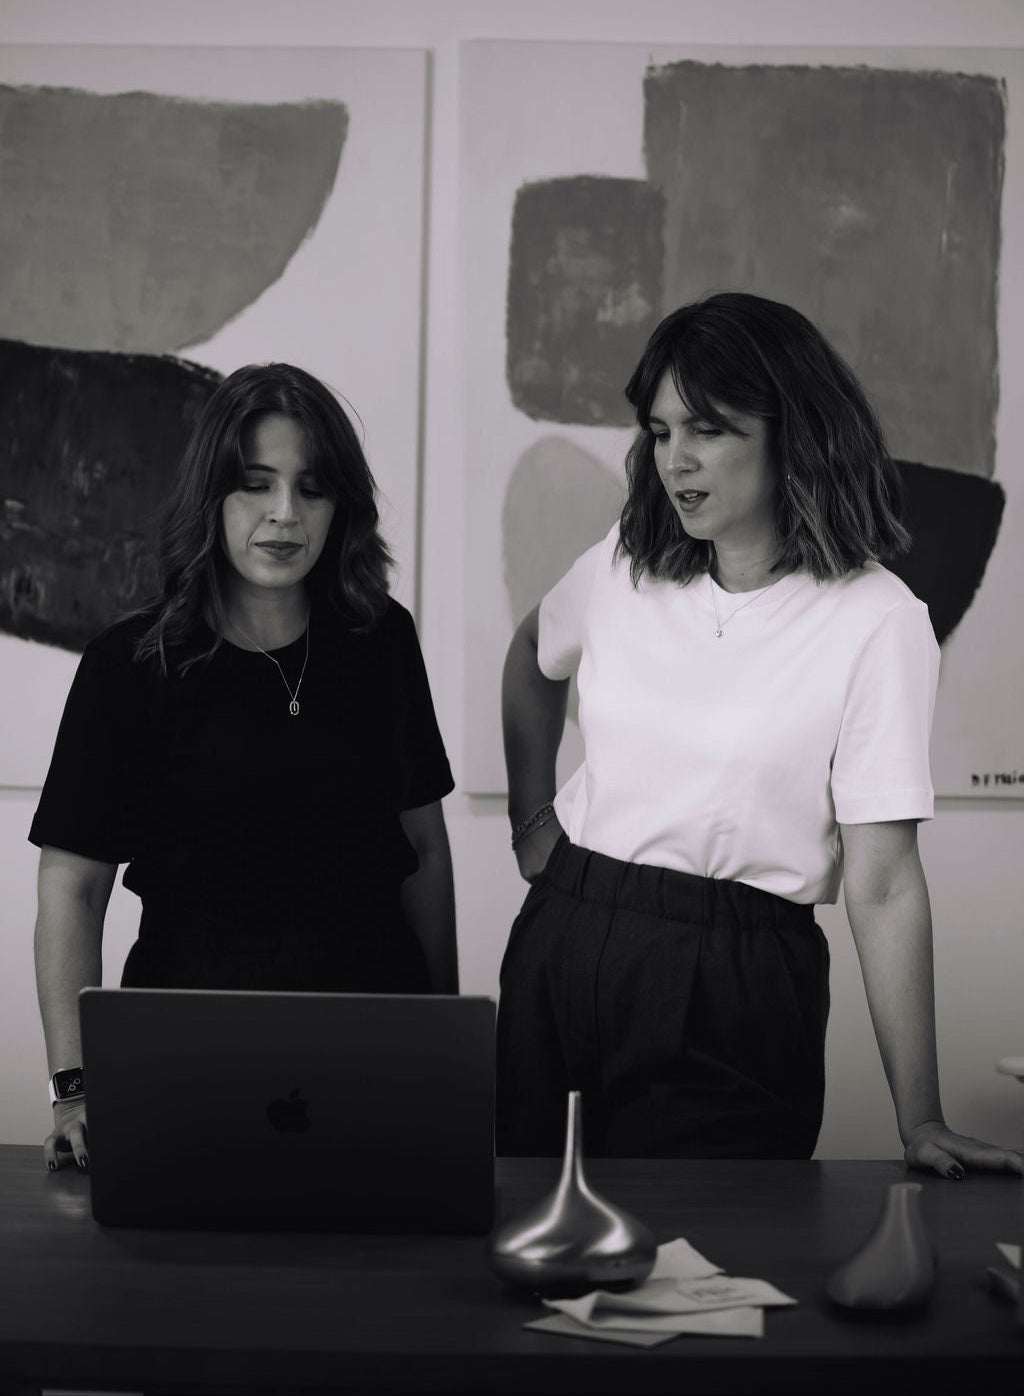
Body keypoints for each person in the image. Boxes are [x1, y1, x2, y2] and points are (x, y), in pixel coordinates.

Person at [498, 292, 1022, 1179]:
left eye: (707, 430)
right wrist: (530, 820)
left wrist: (922, 1118)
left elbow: (884, 882)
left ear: (794, 433)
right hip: (565, 935)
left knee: (709, 1248)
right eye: (659, 432)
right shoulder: (625, 561)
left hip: (734, 973)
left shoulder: (878, 620)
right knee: (525, 1229)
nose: (676, 459)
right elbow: (531, 656)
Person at [31, 363, 457, 1172]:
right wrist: (73, 1090)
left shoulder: (382, 640)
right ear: (210, 495)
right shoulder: (130, 664)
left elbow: (424, 851)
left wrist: (447, 1044)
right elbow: (72, 887)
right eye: (255, 485)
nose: (285, 514)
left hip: (375, 1041)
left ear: (340, 506)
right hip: (185, 1045)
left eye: (311, 489)